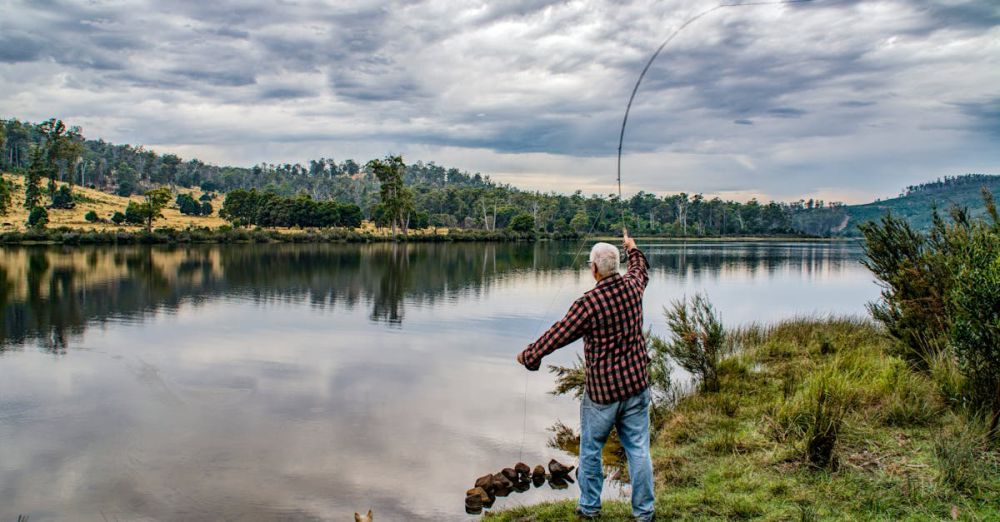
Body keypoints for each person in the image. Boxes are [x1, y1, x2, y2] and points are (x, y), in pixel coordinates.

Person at [517, 231, 654, 521]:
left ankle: (590, 508)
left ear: (593, 269)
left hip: (603, 394)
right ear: (615, 266)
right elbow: (640, 269)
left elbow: (559, 334)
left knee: (591, 450)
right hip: (636, 386)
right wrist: (633, 248)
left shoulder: (588, 304)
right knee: (639, 450)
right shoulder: (632, 287)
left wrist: (530, 356)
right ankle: (644, 513)